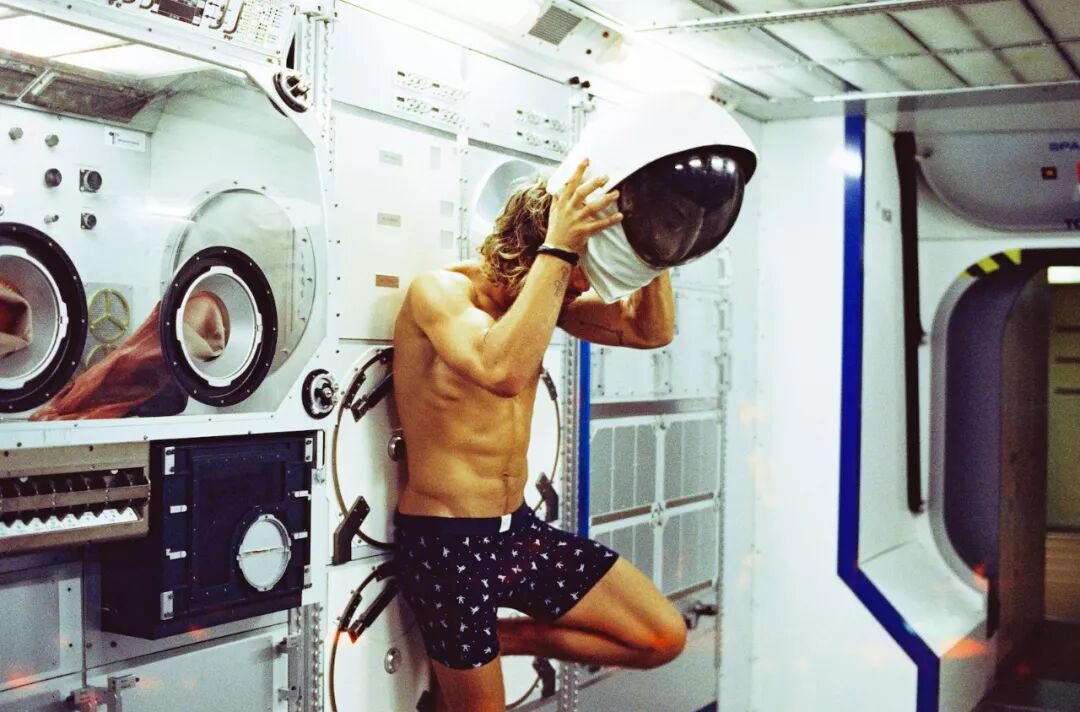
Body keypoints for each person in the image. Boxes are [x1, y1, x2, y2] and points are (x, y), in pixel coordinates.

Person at [392, 158, 686, 712]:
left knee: (660, 637)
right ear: (537, 247)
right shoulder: (441, 292)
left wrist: (656, 250)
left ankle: (500, 640)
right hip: (447, 543)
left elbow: (651, 331)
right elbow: (500, 369)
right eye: (579, 271)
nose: (584, 289)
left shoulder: (553, 301)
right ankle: (469, 654)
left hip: (517, 531)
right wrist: (561, 247)